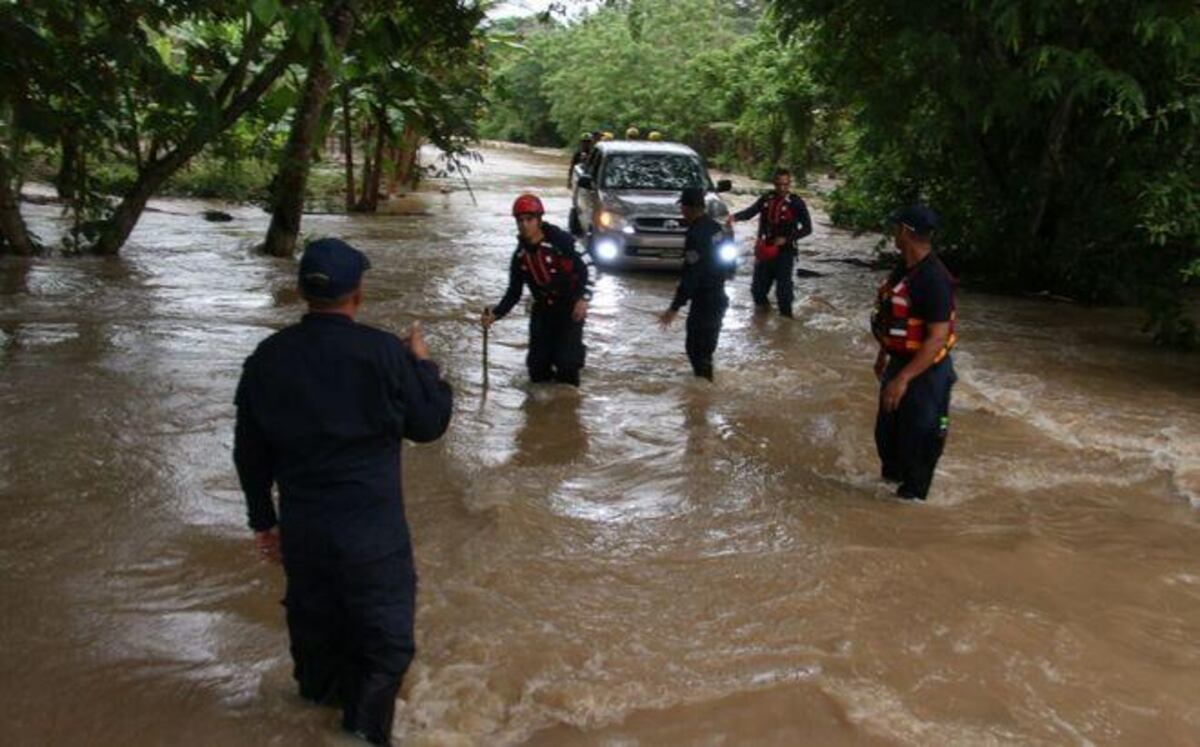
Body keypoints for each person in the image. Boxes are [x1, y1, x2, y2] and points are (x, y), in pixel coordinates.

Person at [233, 238, 453, 746]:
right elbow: (429, 424)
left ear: (301, 291)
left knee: (316, 641)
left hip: (305, 533)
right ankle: (360, 735)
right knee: (386, 648)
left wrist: (263, 521)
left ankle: (312, 722)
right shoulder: (383, 353)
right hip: (372, 537)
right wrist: (424, 366)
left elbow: (249, 454)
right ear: (358, 293)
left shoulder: (268, 358)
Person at [871, 205, 958, 501]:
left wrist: (904, 378)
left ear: (906, 232)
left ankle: (912, 503)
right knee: (887, 436)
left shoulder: (934, 279)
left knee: (919, 440)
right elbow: (892, 316)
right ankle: (885, 498)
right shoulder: (904, 269)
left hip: (927, 372)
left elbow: (936, 338)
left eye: (896, 228)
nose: (893, 233)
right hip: (900, 362)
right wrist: (884, 354)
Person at [482, 193, 592, 385]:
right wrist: (496, 314)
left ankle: (569, 407)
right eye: (520, 220)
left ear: (539, 220)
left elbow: (590, 267)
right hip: (542, 310)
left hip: (570, 309)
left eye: (529, 219)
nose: (525, 225)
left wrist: (584, 299)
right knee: (537, 367)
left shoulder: (563, 241)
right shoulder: (520, 255)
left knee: (566, 365)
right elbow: (514, 291)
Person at [659, 187, 735, 380]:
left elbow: (692, 273)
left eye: (683, 207)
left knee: (695, 349)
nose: (681, 211)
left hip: (705, 301)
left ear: (688, 208)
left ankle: (702, 396)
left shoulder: (695, 234)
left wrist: (675, 307)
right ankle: (704, 395)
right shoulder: (717, 228)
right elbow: (730, 259)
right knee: (706, 350)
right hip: (718, 297)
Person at [732, 167, 813, 318]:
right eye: (779, 184)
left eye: (785, 184)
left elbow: (808, 229)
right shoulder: (766, 199)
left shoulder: (796, 203)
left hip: (785, 252)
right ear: (774, 184)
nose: (782, 188)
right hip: (765, 250)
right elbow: (750, 212)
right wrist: (734, 217)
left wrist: (787, 239)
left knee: (783, 294)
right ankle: (763, 321)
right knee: (757, 291)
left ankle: (786, 324)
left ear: (789, 184)